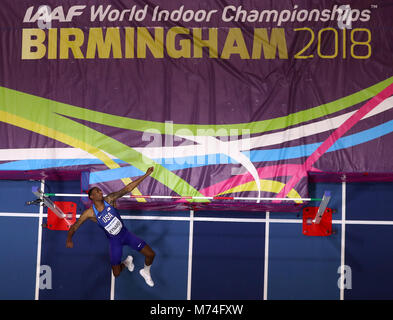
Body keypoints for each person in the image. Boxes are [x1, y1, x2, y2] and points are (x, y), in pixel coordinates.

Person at [66, 166, 156, 287]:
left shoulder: (110, 199)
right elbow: (75, 226)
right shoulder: (89, 213)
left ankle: (145, 271)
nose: (100, 192)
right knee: (117, 273)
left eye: (100, 190)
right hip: (115, 242)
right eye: (97, 191)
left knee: (151, 254)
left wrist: (146, 174)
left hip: (126, 234)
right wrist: (69, 239)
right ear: (92, 197)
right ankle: (127, 262)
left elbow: (128, 188)